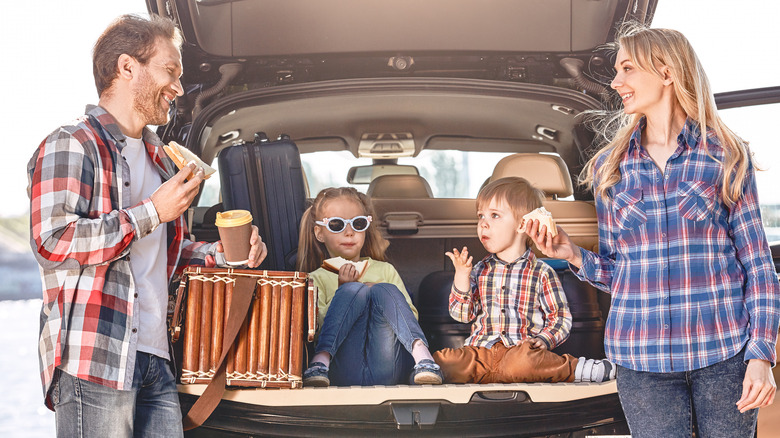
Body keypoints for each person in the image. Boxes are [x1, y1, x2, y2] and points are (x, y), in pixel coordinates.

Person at [526, 23, 779, 437]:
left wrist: (761, 355)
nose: (616, 81)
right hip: (642, 362)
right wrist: (572, 253)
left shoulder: (727, 156)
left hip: (723, 352)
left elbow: (759, 267)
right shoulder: (610, 167)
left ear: (666, 71)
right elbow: (618, 274)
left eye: (626, 68)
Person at [27, 14, 268, 437]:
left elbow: (164, 255)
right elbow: (53, 242)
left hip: (158, 358)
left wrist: (221, 253)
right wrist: (152, 212)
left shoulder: (161, 160)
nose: (178, 87)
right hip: (97, 357)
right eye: (170, 71)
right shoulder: (71, 143)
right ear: (126, 67)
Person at [432, 177, 614, 384]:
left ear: (521, 225)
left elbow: (560, 318)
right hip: (480, 353)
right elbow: (463, 316)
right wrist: (461, 277)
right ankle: (428, 369)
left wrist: (544, 339)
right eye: (480, 216)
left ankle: (582, 368)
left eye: (494, 215)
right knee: (444, 361)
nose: (483, 223)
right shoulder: (478, 270)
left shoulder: (541, 272)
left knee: (527, 363)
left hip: (520, 351)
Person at [297, 187, 443, 386]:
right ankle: (320, 361)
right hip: (339, 371)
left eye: (358, 224)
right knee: (351, 291)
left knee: (385, 289)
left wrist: (377, 293)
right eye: (337, 225)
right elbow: (314, 329)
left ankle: (423, 358)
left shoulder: (385, 270)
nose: (349, 232)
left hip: (387, 365)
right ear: (319, 233)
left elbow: (411, 316)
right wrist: (344, 293)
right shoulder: (316, 278)